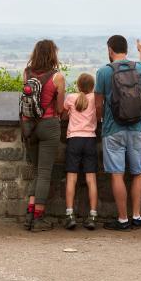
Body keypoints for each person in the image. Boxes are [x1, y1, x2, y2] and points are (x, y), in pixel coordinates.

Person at [95, 35, 141, 230]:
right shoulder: (139, 69)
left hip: (113, 129)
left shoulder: (104, 72)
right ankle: (136, 216)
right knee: (137, 173)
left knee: (117, 174)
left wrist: (100, 122)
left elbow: (98, 103)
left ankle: (123, 220)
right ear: (126, 50)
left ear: (110, 50)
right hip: (136, 127)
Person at [21, 39, 66, 232]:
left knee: (37, 171)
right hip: (48, 125)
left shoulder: (26, 73)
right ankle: (38, 218)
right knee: (45, 173)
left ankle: (30, 215)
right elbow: (60, 108)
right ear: (53, 55)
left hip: (28, 126)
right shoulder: (57, 77)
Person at [61, 73, 99, 230]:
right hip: (90, 140)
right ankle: (93, 215)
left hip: (74, 140)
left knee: (71, 179)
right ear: (93, 86)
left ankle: (70, 215)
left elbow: (63, 114)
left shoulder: (71, 98)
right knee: (91, 179)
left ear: (77, 85)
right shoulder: (95, 98)